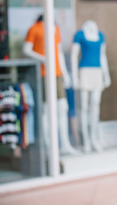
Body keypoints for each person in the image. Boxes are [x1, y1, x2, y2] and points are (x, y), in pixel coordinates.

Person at [23, 14, 79, 155]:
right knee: (46, 110)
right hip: (43, 74)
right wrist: (43, 59)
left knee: (62, 107)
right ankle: (49, 146)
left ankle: (65, 145)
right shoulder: (34, 28)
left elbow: (59, 52)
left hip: (57, 74)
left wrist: (65, 74)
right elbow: (26, 50)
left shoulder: (55, 29)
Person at [71, 20, 111, 152]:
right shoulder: (80, 35)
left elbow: (102, 56)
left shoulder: (100, 35)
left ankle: (94, 138)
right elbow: (73, 55)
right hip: (84, 71)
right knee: (83, 106)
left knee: (95, 104)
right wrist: (74, 76)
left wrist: (106, 75)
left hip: (97, 71)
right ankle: (86, 140)